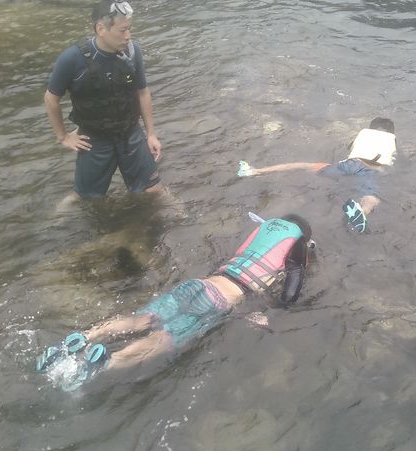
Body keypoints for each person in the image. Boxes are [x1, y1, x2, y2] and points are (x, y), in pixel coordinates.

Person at [36, 214, 313, 391]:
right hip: (219, 301)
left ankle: (84, 336)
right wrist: (275, 311)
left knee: (143, 318)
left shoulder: (263, 229)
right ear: (303, 234)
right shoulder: (298, 242)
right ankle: (102, 364)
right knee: (163, 339)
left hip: (198, 284)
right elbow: (293, 286)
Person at [44, 0, 164, 201]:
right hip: (94, 139)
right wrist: (63, 136)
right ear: (101, 29)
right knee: (85, 200)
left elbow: (143, 92)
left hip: (130, 133)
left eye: (129, 29)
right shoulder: (72, 59)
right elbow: (51, 99)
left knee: (154, 191)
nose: (128, 36)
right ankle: (57, 217)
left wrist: (151, 134)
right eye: (122, 30)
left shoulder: (132, 52)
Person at [237, 117, 396, 233]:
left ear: (371, 127)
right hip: (371, 170)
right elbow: (391, 161)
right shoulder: (392, 140)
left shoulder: (364, 133)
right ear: (391, 132)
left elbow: (351, 148)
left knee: (305, 165)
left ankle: (253, 171)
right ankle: (363, 211)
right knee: (371, 196)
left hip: (350, 164)